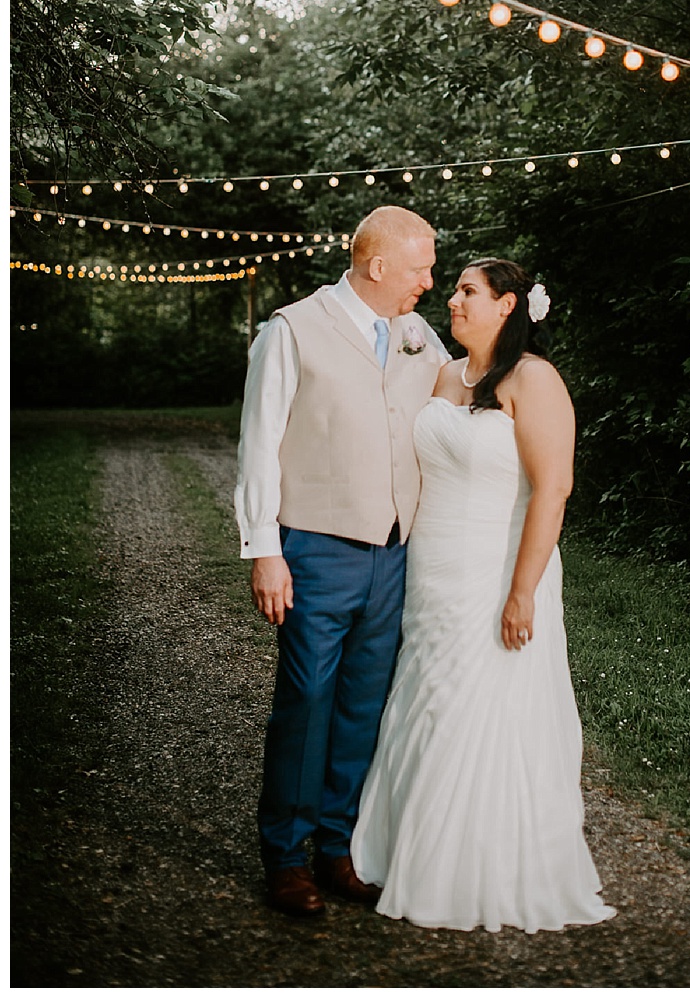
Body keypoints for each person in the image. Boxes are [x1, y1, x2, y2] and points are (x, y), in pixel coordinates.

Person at [350, 258, 613, 932]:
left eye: (469, 291)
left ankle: (473, 865)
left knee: (481, 708)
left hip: (498, 571)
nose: (455, 301)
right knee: (426, 700)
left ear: (508, 305)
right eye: (457, 290)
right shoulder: (445, 375)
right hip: (431, 572)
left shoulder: (536, 380)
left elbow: (552, 490)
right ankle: (403, 846)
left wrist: (522, 591)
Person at [238, 205, 450, 918]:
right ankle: (286, 856)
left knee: (365, 704)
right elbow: (259, 443)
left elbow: (467, 393)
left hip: (394, 552)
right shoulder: (291, 331)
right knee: (306, 702)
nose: (430, 279)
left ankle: (339, 848)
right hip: (316, 548)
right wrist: (265, 549)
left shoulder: (419, 336)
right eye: (421, 266)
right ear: (378, 265)